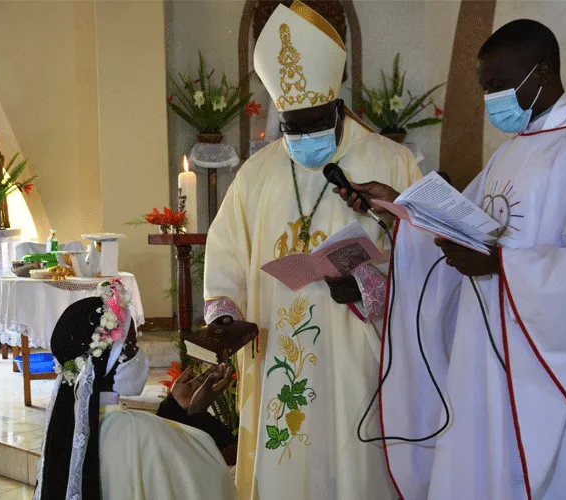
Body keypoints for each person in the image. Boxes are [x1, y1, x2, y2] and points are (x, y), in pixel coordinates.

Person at [335, 19, 566, 500]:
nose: (491, 98)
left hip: (548, 369)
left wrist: (502, 265)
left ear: (539, 73)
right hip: (483, 352)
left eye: (497, 85)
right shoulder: (511, 153)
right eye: (484, 87)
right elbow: (464, 223)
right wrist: (398, 206)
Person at [203, 2, 421, 499]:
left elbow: (424, 261)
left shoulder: (391, 162)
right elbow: (226, 255)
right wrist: (223, 314)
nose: (302, 137)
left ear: (337, 103)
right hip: (277, 348)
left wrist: (366, 286)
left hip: (356, 359)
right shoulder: (256, 175)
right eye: (291, 126)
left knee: (354, 469)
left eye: (313, 121)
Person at [33, 279, 237, 500]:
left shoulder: (67, 431)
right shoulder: (136, 430)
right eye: (132, 345)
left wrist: (176, 408)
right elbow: (206, 477)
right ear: (109, 361)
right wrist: (197, 413)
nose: (139, 355)